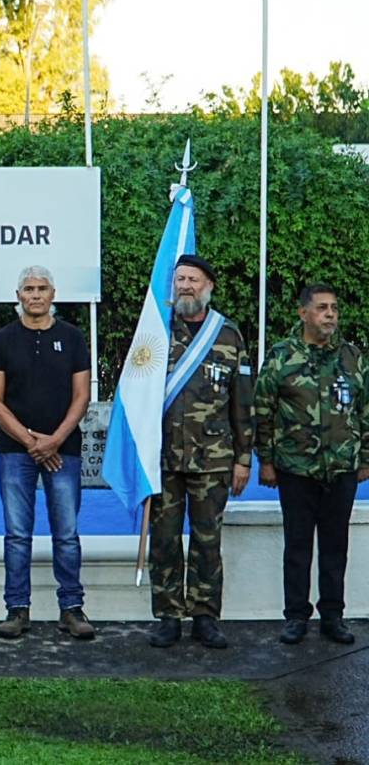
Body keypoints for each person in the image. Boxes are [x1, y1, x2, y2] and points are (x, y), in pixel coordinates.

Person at [148, 254, 253, 650]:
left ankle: (205, 616)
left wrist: (244, 458)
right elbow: (137, 395)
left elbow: (243, 401)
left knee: (208, 541)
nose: (185, 286)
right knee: (165, 539)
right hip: (163, 459)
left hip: (214, 458)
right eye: (179, 280)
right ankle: (169, 616)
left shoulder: (228, 335)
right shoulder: (155, 334)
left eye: (192, 279)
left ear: (208, 286)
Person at [255, 283, 369, 646]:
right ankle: (296, 616)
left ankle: (333, 616)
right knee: (298, 545)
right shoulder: (281, 355)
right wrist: (266, 461)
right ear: (303, 313)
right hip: (296, 469)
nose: (330, 314)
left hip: (341, 470)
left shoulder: (353, 357)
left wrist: (364, 459)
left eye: (334, 308)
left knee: (336, 546)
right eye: (322, 308)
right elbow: (263, 411)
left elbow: (365, 411)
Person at [0, 266, 93, 641]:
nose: (35, 295)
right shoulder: (1, 339)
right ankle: (17, 609)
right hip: (15, 453)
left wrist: (54, 440)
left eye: (41, 288)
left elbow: (82, 397)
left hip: (65, 451)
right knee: (17, 534)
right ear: (18, 295)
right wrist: (33, 444)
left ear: (53, 293)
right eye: (28, 289)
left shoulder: (73, 337)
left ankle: (72, 609)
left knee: (66, 533)